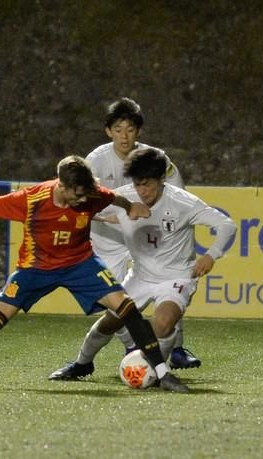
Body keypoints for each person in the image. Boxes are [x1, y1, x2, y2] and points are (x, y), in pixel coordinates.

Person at [0, 155, 190, 393]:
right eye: (76, 196)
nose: (82, 201)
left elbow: (111, 198)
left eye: (85, 195)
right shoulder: (32, 200)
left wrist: (130, 205)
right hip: (36, 268)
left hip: (81, 264)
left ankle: (162, 373)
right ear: (61, 186)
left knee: (127, 308)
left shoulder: (90, 194)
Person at [49, 147, 236, 381]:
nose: (142, 190)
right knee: (110, 322)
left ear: (161, 179)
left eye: (147, 184)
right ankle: (82, 364)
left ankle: (154, 371)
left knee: (163, 322)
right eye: (137, 184)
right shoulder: (124, 196)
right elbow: (86, 204)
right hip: (139, 276)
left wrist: (211, 255)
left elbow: (227, 225)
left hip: (175, 278)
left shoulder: (183, 202)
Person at [85, 97, 201, 370]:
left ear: (139, 130)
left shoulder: (155, 159)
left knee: (169, 281)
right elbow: (86, 198)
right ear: (108, 131)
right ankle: (132, 345)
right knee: (114, 299)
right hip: (109, 236)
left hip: (149, 233)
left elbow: (179, 196)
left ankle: (177, 350)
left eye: (130, 129)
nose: (124, 136)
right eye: (118, 129)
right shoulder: (96, 161)